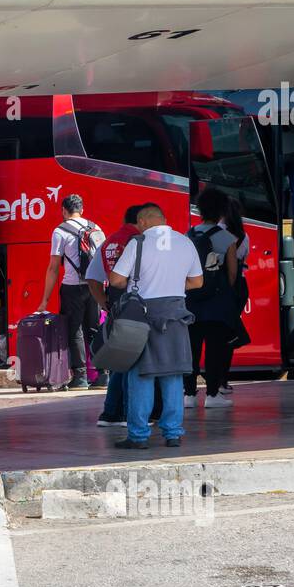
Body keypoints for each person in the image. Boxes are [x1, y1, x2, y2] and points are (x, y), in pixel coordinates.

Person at [107, 206, 203, 449]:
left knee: (141, 374)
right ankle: (173, 434)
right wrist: (171, 285)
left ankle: (138, 436)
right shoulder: (185, 242)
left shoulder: (138, 243)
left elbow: (116, 280)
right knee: (173, 373)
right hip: (176, 314)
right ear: (164, 219)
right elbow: (197, 282)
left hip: (143, 315)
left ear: (142, 221)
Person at [85, 203, 149, 427]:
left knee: (119, 361)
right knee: (133, 361)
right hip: (136, 306)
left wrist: (104, 303)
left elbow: (92, 279)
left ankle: (110, 413)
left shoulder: (108, 242)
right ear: (142, 220)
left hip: (115, 305)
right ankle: (125, 413)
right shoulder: (140, 242)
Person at [37, 194, 105, 389]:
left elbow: (53, 267)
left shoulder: (60, 231)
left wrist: (45, 300)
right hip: (95, 285)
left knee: (74, 331)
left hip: (72, 287)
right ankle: (102, 374)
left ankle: (80, 377)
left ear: (64, 211)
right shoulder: (95, 227)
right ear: (82, 210)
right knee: (94, 329)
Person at [183, 187, 239, 409]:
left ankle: (188, 394)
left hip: (192, 301)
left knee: (191, 349)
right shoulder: (227, 238)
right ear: (222, 212)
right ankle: (213, 394)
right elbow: (232, 273)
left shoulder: (189, 235)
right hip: (217, 303)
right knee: (216, 349)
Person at [219, 196, 251, 394]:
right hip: (240, 285)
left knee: (216, 335)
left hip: (223, 285)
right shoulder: (244, 235)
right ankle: (223, 380)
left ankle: (216, 381)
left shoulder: (219, 232)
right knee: (228, 333)